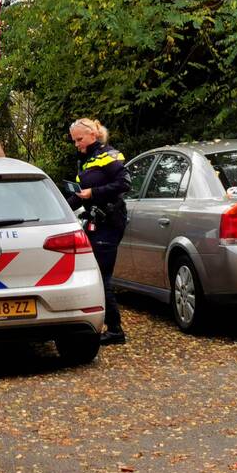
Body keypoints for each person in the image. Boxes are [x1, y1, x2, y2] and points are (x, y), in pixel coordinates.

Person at [67, 118, 131, 346]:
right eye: (74, 140)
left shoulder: (109, 155)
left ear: (93, 135)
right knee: (96, 274)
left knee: (102, 276)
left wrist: (94, 193)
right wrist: (60, 208)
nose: (76, 144)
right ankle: (108, 325)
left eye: (80, 139)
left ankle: (115, 329)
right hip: (95, 221)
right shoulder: (87, 161)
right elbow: (78, 196)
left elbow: (124, 184)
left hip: (110, 221)